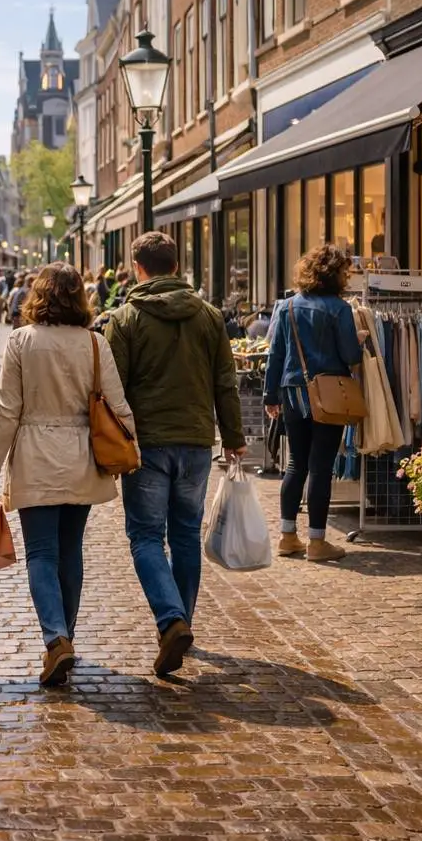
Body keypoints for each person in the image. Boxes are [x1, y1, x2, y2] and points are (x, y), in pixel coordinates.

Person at [0, 263, 137, 687]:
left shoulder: (22, 341)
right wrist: (127, 454)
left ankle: (55, 638)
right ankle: (64, 636)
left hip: (37, 456)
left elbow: (6, 410)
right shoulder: (94, 343)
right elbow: (119, 407)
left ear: (38, 296)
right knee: (70, 551)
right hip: (83, 456)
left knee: (42, 554)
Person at [105, 232, 245, 677]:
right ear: (176, 264)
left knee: (146, 536)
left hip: (147, 444)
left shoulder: (125, 319)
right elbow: (225, 381)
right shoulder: (209, 317)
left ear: (137, 267)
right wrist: (235, 436)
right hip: (197, 441)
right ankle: (182, 617)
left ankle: (171, 620)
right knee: (185, 534)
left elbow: (114, 389)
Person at [264, 245, 365, 565]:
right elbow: (351, 356)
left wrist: (270, 396)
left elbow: (275, 355)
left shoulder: (287, 306)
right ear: (334, 275)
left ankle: (287, 536)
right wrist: (360, 341)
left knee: (296, 463)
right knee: (321, 467)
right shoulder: (339, 309)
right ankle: (317, 541)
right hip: (328, 392)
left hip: (292, 391)